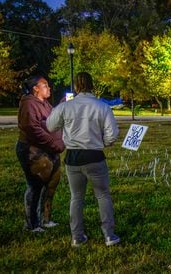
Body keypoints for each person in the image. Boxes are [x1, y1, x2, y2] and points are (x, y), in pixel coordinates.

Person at [46, 72, 120, 247]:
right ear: (92, 85)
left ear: (76, 86)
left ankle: (77, 236)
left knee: (76, 197)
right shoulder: (102, 107)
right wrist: (103, 142)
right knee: (103, 196)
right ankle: (109, 235)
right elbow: (112, 134)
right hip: (94, 155)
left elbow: (50, 125)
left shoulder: (66, 107)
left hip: (73, 156)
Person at [16, 76, 65, 233]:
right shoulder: (29, 104)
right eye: (45, 85)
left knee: (52, 183)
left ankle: (46, 219)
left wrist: (62, 106)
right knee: (36, 185)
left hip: (50, 150)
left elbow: (51, 119)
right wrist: (54, 144)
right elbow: (33, 129)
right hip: (33, 150)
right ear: (35, 88)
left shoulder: (44, 103)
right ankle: (32, 224)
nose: (49, 88)